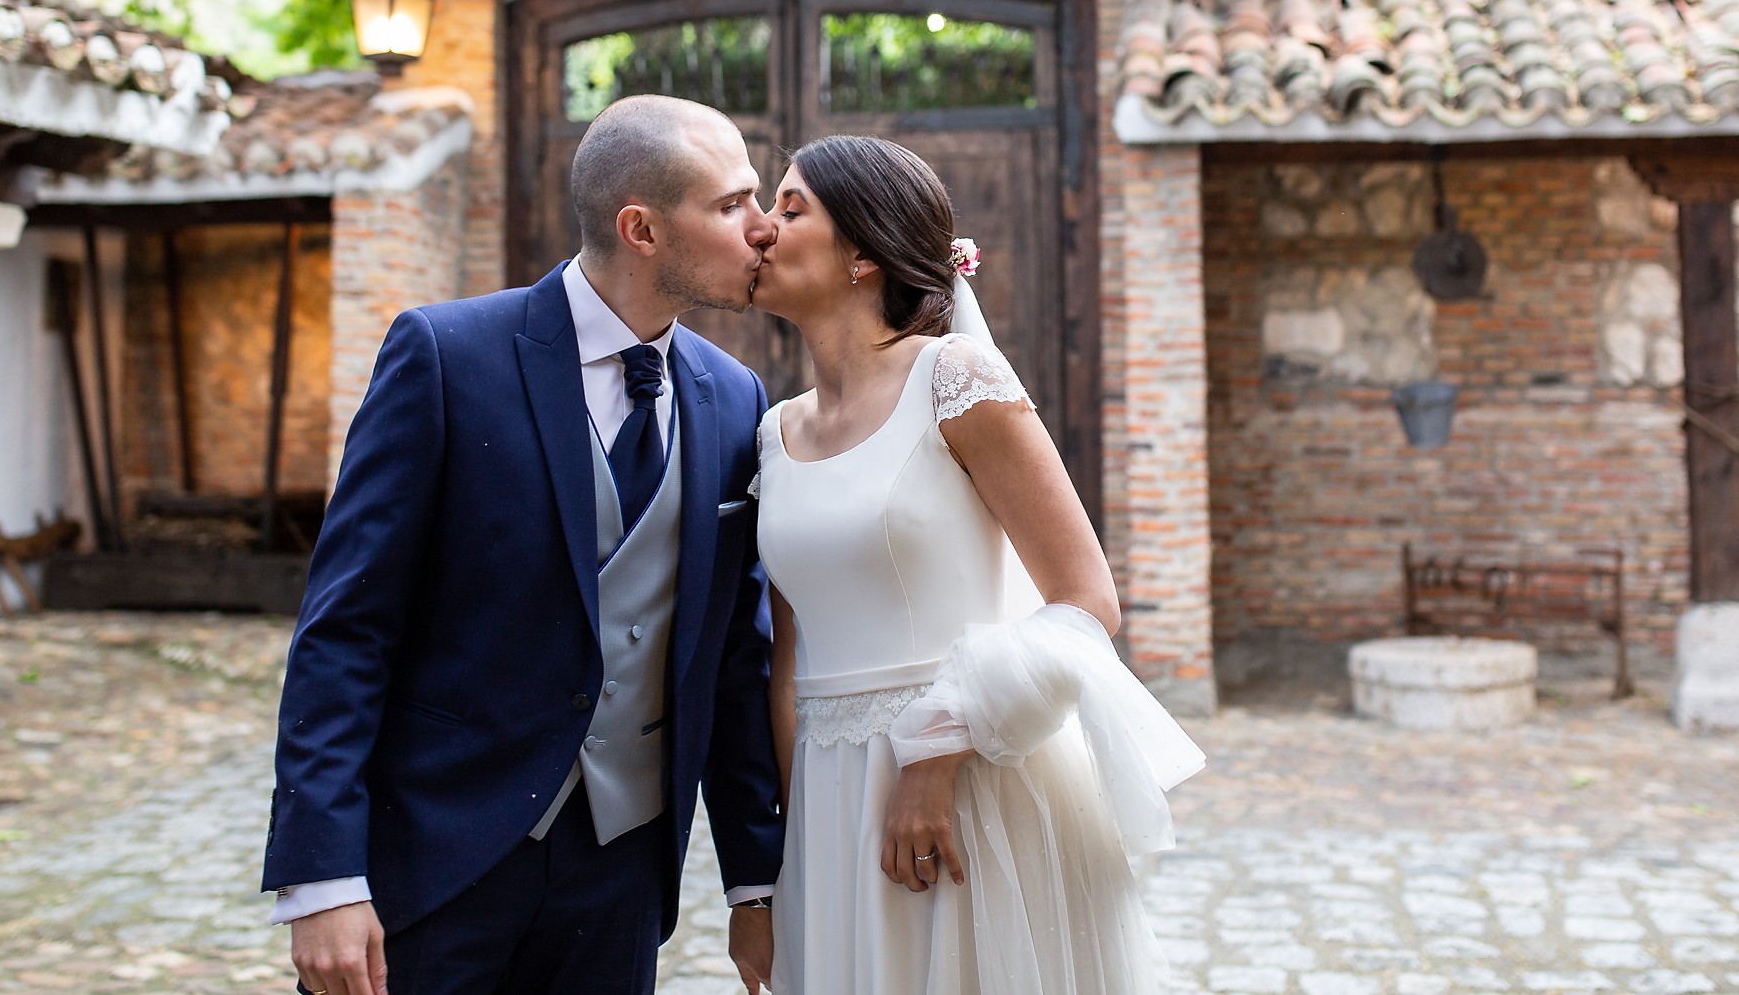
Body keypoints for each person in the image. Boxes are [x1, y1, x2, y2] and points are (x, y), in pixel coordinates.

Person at [264, 95, 784, 995]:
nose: (764, 227)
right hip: (434, 859)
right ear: (643, 228)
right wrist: (322, 877)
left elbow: (733, 657)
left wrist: (756, 879)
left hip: (620, 874)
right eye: (733, 203)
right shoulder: (446, 355)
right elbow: (346, 627)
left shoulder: (734, 397)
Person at [748, 134, 1204, 995]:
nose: (761, 230)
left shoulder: (955, 378)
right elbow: (788, 656)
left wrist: (937, 753)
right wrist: (792, 847)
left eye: (790, 206)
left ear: (865, 255)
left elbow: (1085, 599)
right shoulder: (774, 432)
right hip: (827, 804)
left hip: (970, 788)